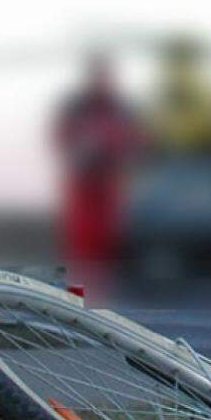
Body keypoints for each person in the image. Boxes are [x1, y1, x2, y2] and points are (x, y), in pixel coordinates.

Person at [52, 54, 141, 270]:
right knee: (82, 247)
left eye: (106, 76)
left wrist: (121, 154)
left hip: (110, 185)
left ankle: (109, 295)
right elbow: (62, 137)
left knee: (112, 242)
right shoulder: (76, 107)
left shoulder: (120, 108)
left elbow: (136, 140)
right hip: (83, 186)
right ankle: (78, 296)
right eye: (98, 76)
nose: (102, 81)